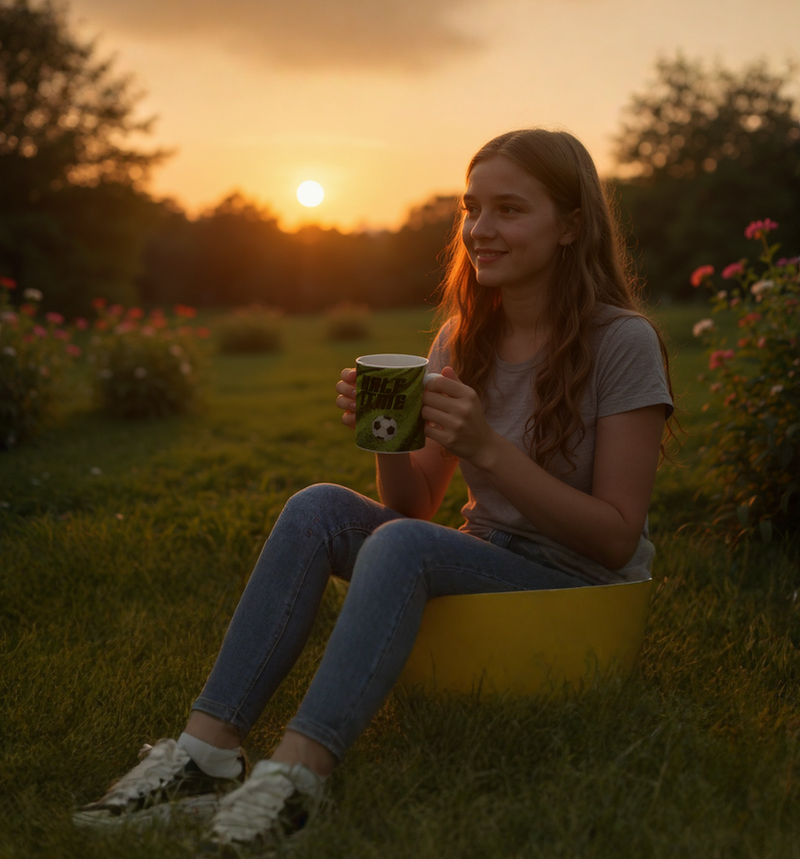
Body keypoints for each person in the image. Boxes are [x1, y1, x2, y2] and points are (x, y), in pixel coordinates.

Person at [74, 129, 674, 847]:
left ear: (571, 225)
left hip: (576, 585)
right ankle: (206, 754)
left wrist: (487, 446)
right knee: (318, 507)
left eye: (510, 210)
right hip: (484, 554)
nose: (481, 230)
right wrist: (387, 433)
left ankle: (296, 780)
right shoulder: (463, 336)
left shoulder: (622, 342)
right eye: (471, 208)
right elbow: (412, 508)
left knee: (405, 546)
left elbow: (613, 538)